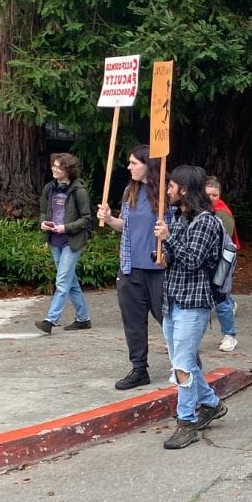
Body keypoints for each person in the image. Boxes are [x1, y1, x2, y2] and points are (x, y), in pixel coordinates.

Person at [154, 166, 228, 450]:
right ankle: (210, 403)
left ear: (184, 190)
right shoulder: (181, 218)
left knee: (183, 365)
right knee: (181, 362)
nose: (168, 191)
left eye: (171, 186)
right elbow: (176, 256)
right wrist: (161, 252)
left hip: (193, 302)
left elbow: (194, 259)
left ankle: (186, 422)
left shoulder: (206, 222)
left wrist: (168, 237)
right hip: (172, 300)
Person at [97, 145, 166, 391]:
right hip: (130, 267)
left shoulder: (166, 193)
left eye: (134, 163)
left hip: (159, 268)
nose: (129, 167)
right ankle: (139, 368)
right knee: (133, 321)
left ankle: (186, 363)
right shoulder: (130, 191)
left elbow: (176, 228)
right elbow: (125, 226)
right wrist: (109, 219)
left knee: (167, 319)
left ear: (148, 164)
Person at [37, 153, 94, 333]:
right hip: (54, 241)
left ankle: (50, 320)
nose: (54, 169)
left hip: (72, 241)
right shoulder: (49, 188)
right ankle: (83, 318)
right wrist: (43, 222)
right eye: (53, 165)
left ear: (68, 170)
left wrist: (66, 227)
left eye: (58, 167)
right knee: (71, 281)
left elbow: (87, 219)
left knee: (62, 281)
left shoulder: (79, 190)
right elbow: (43, 210)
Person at [206, 176, 240, 352]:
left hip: (223, 259)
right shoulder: (197, 211)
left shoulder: (222, 213)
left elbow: (223, 242)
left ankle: (229, 335)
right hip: (206, 261)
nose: (212, 198)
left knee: (221, 298)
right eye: (208, 194)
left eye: (215, 194)